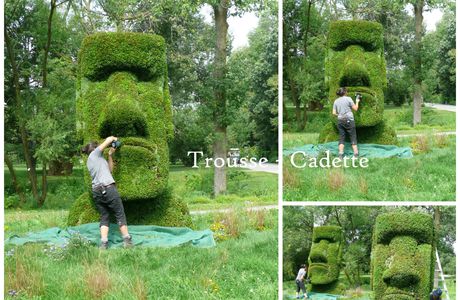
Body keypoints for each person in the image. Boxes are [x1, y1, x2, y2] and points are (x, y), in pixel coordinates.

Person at [82, 136, 132, 249]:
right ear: (94, 149)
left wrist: (110, 155)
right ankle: (127, 240)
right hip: (108, 188)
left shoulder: (95, 161)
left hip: (97, 191)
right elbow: (108, 139)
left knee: (104, 216)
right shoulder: (94, 154)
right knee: (119, 213)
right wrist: (114, 138)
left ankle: (104, 243)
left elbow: (110, 170)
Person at [332, 87, 360, 159]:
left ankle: (341, 155)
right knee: (353, 136)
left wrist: (340, 115)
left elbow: (334, 113)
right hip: (349, 120)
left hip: (340, 120)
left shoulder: (336, 101)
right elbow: (356, 108)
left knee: (341, 137)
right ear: (345, 92)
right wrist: (357, 101)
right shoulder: (348, 99)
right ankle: (356, 154)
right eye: (346, 91)